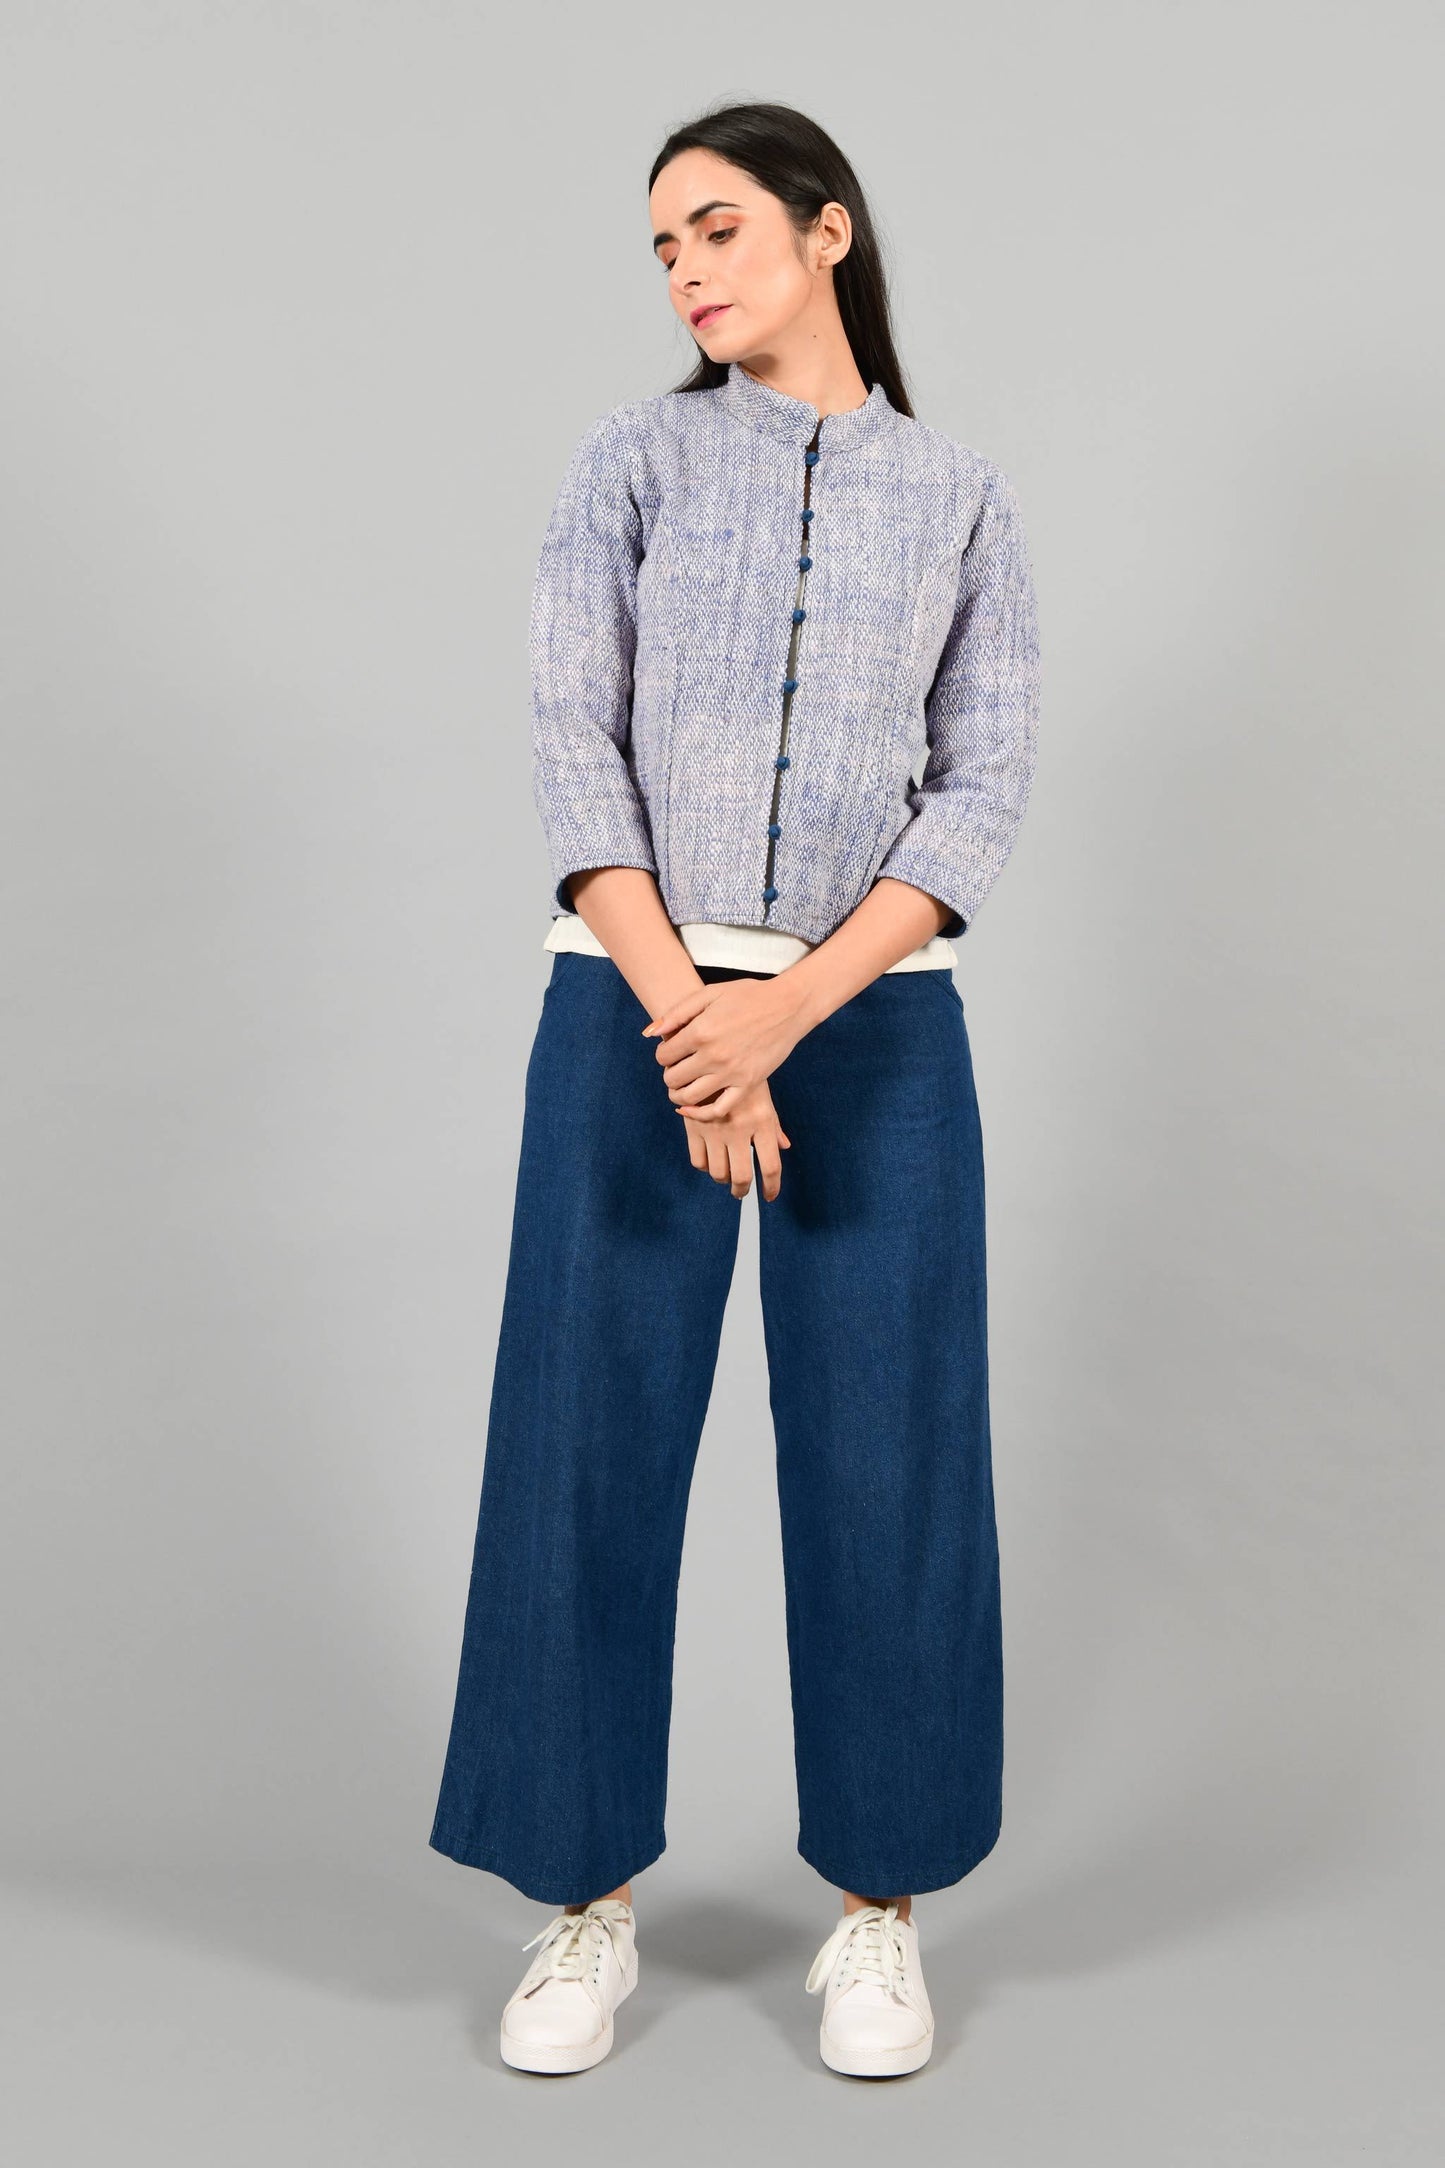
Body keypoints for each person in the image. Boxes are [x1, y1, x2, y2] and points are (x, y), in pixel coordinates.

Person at [428, 99, 1041, 2080]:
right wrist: (693, 1009)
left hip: (873, 1020)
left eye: (716, 227)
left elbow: (983, 784)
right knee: (584, 1439)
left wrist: (781, 1021)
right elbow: (568, 736)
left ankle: (880, 1911)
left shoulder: (954, 496)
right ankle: (579, 1899)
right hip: (631, 1005)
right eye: (662, 247)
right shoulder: (633, 462)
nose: (686, 269)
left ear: (827, 230)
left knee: (893, 1457)